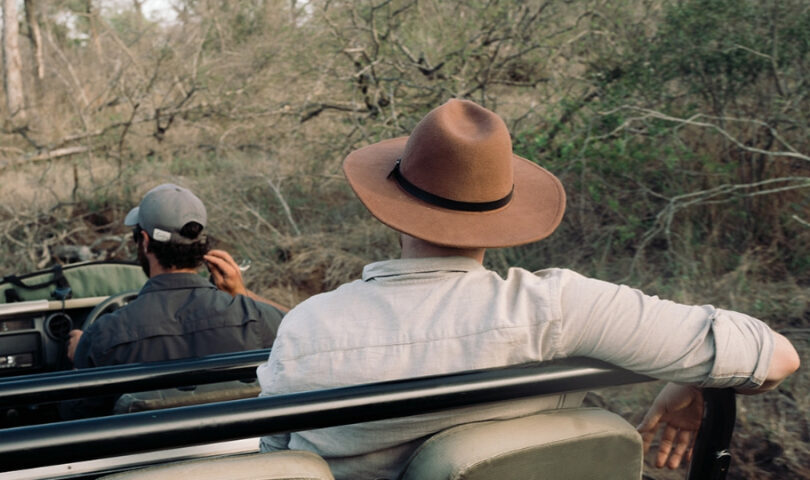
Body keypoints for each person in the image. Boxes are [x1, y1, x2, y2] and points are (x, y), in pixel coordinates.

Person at [255, 99, 800, 479]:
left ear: (391, 212)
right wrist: (698, 382)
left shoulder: (307, 326)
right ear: (501, 220)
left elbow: (278, 461)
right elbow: (775, 356)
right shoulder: (558, 306)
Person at [62, 183, 287, 418]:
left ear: (145, 241)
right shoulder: (256, 317)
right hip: (246, 452)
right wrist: (243, 294)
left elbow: (73, 415)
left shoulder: (104, 335)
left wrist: (80, 356)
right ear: (202, 244)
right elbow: (303, 325)